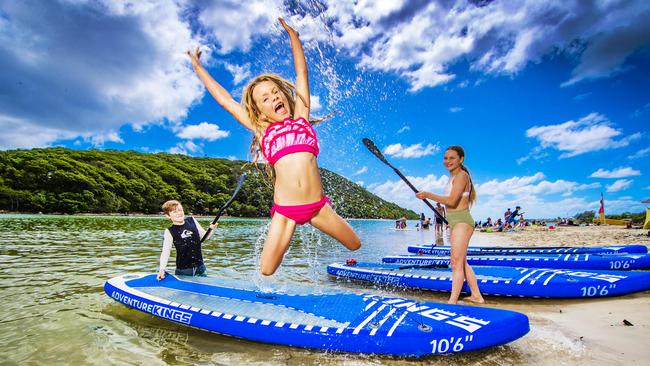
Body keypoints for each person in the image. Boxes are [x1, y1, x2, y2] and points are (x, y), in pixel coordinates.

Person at [187, 18, 360, 276]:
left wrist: (294, 37)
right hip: (285, 212)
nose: (275, 97)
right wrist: (198, 68)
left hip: (318, 207)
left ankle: (315, 226)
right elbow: (226, 102)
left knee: (355, 245)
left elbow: (302, 74)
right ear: (259, 111)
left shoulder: (301, 117)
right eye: (265, 99)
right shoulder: (263, 131)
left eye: (275, 92)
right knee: (266, 270)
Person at [415, 146, 484, 304]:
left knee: (455, 262)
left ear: (461, 159)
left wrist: (428, 195)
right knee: (461, 261)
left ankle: (452, 302)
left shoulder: (462, 176)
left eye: (452, 158)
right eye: (445, 158)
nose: (448, 161)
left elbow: (452, 201)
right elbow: (451, 204)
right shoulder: (453, 177)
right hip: (454, 221)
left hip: (462, 220)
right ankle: (476, 296)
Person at [157, 200, 217, 280]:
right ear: (168, 216)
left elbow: (205, 237)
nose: (179, 213)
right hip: (184, 271)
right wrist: (162, 269)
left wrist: (212, 229)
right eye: (175, 212)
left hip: (201, 267)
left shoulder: (192, 220)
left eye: (180, 210)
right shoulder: (170, 231)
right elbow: (166, 252)